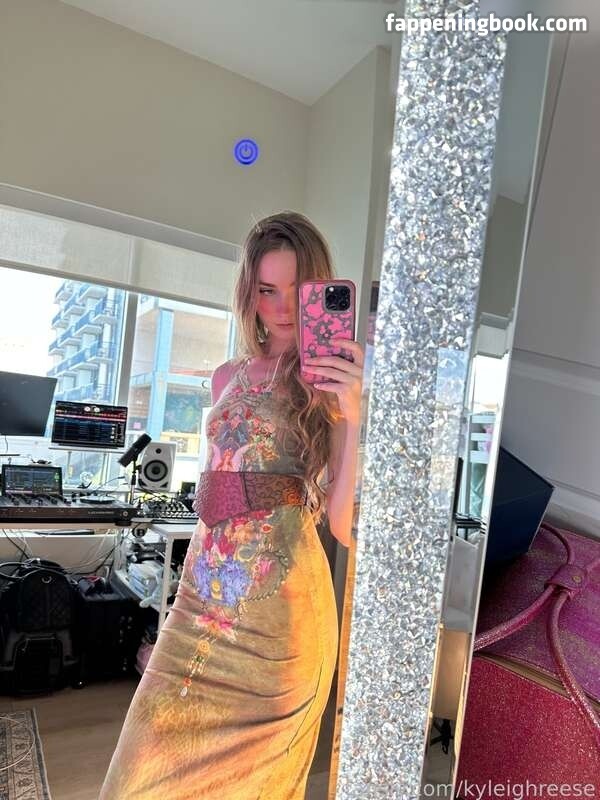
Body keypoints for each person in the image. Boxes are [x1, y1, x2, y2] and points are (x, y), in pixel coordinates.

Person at [100, 211, 364, 799]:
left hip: (280, 620)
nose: (282, 307)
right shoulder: (225, 376)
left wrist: (354, 413)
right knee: (136, 771)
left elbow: (345, 525)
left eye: (296, 289)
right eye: (267, 290)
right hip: (202, 597)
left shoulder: (332, 381)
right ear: (249, 293)